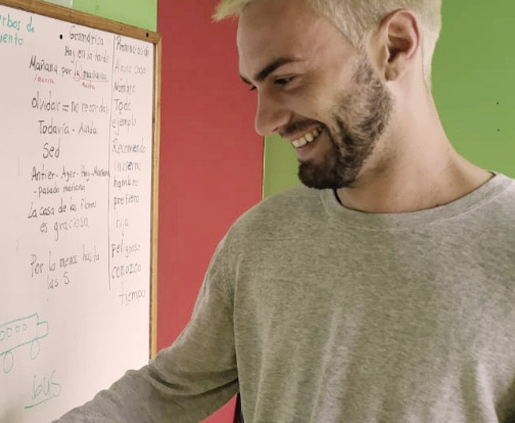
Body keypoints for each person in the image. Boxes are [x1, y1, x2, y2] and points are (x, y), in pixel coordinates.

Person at [54, 0, 515, 421]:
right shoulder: (261, 237)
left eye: (286, 79)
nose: (263, 121)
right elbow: (165, 393)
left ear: (396, 46)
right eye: (255, 86)